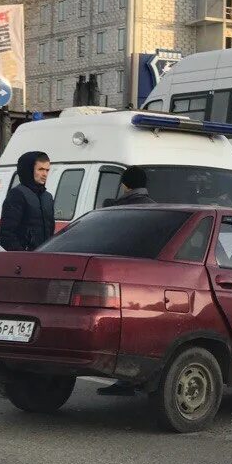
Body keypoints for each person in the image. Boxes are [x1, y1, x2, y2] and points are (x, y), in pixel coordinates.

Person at [97, 166, 155, 397]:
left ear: (125, 185)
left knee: (122, 329)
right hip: (147, 279)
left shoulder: (118, 208)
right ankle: (138, 378)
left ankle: (124, 381)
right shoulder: (155, 207)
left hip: (121, 275)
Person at [0, 151, 55, 252]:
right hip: (24, 261)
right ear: (28, 170)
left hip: (44, 257)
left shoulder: (48, 197)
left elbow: (51, 230)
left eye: (47, 170)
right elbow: (5, 234)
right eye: (40, 169)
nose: (45, 174)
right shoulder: (17, 195)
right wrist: (23, 255)